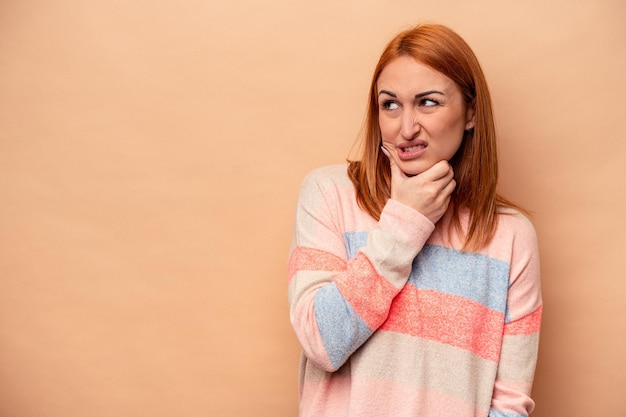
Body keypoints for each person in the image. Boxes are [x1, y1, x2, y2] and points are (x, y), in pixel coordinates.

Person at [287, 23, 542, 417]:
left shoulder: (510, 236)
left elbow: (509, 404)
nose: (406, 128)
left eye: (428, 102)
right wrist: (404, 224)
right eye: (390, 104)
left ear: (470, 112)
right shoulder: (329, 194)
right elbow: (321, 341)